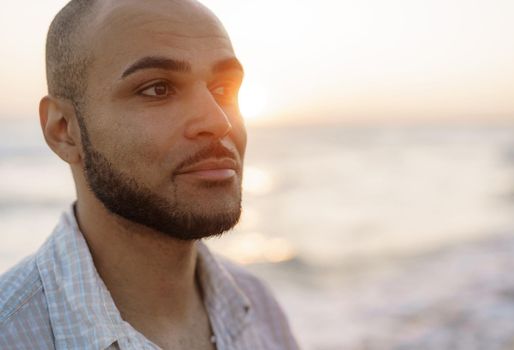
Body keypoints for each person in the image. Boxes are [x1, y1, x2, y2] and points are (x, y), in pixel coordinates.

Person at [0, 0, 299, 349]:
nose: (219, 121)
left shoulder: (258, 307)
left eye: (222, 89)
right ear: (64, 129)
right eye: (158, 89)